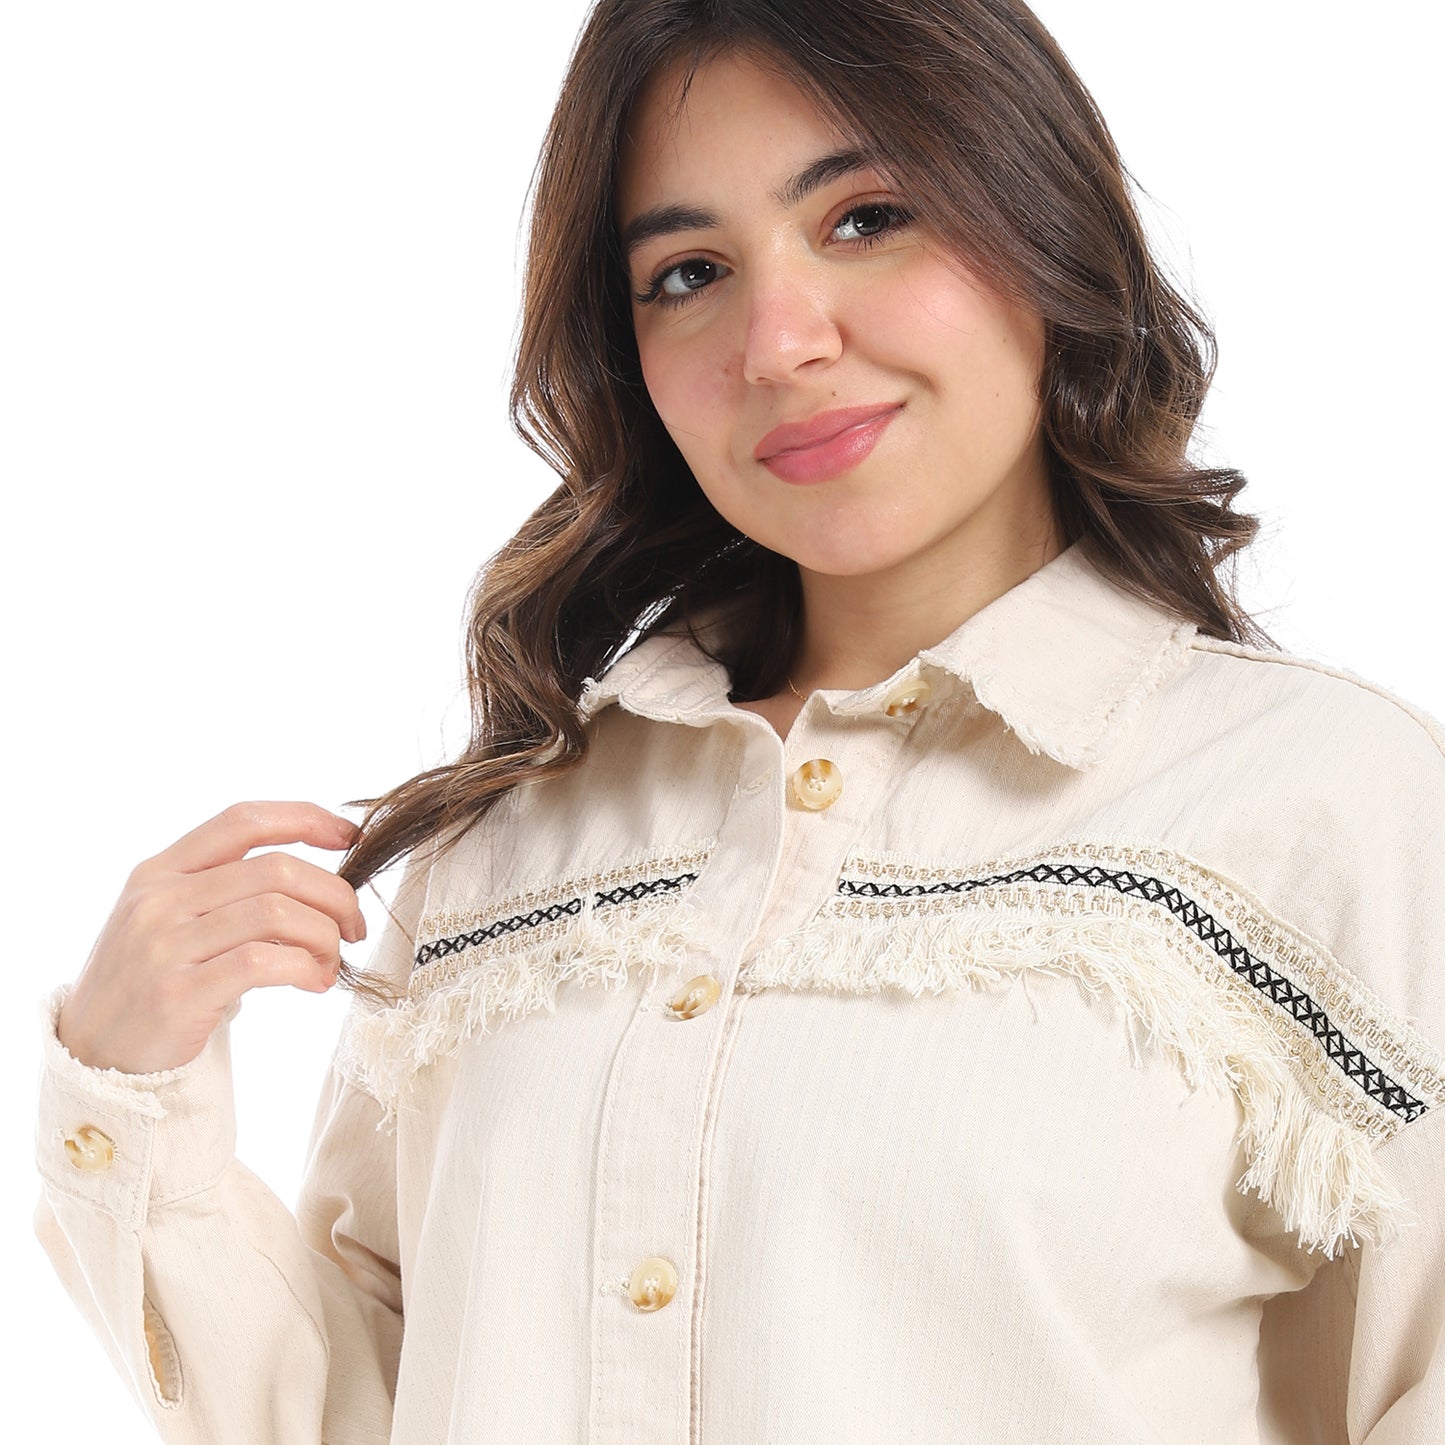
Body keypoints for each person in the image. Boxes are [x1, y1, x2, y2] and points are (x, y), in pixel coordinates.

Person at [34, 0, 1445, 1440]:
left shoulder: (1329, 805)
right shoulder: (515, 841)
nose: (777, 342)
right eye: (689, 272)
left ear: (1042, 221)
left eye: (865, 218)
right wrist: (131, 1086)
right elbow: (376, 1408)